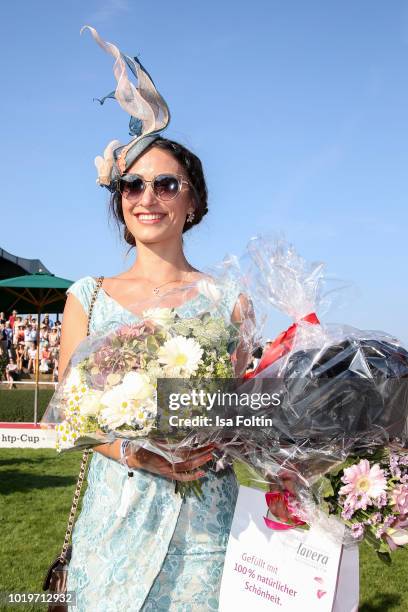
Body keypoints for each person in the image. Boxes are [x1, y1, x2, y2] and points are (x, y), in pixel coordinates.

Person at [58, 26, 253, 611]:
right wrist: (136, 453)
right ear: (119, 199)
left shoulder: (231, 302)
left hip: (207, 525)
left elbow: (246, 412)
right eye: (133, 185)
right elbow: (72, 420)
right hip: (117, 519)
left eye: (166, 184)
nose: (149, 197)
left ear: (192, 200)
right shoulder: (85, 298)